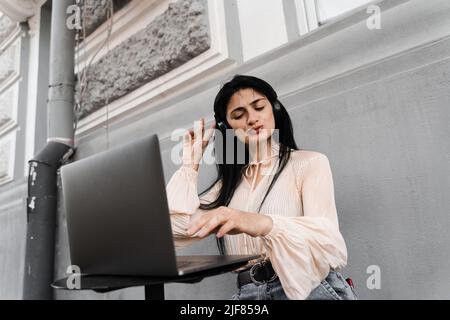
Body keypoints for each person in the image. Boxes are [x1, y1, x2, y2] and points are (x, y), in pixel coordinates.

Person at [166, 75, 357, 300]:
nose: (252, 118)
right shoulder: (226, 188)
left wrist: (259, 223)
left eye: (259, 107)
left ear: (274, 109)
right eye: (238, 115)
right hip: (247, 294)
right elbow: (170, 231)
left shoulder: (309, 163)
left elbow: (330, 243)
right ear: (227, 127)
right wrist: (190, 165)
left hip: (307, 289)